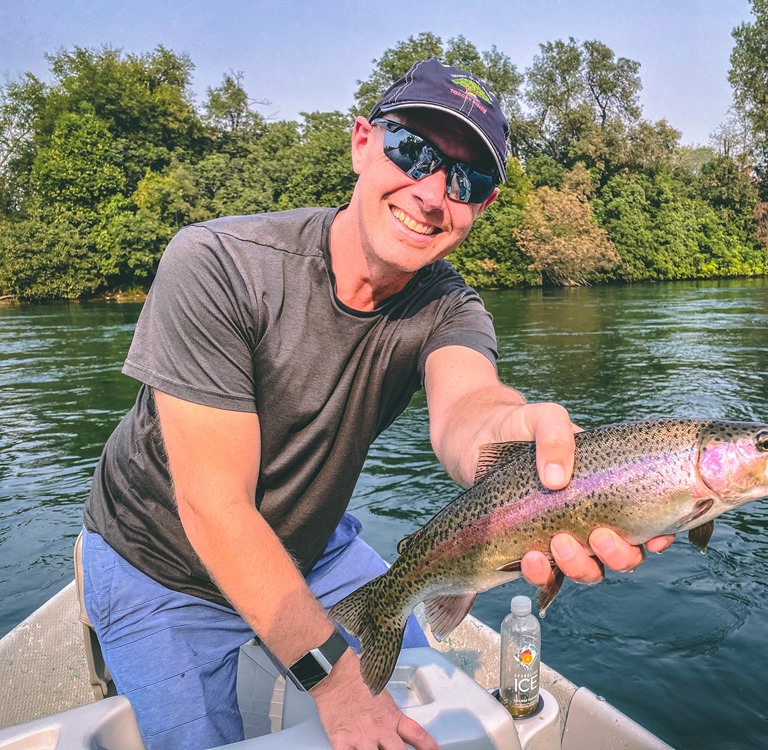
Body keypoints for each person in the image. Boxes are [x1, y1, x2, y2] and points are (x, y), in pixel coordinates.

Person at [80, 59, 674, 750]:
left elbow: (467, 411)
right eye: (412, 150)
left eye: (466, 180)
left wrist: (518, 426)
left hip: (312, 546)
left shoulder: (449, 305)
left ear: (481, 207)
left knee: (418, 701)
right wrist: (335, 686)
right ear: (362, 142)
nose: (431, 192)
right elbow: (215, 510)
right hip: (162, 563)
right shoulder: (217, 264)